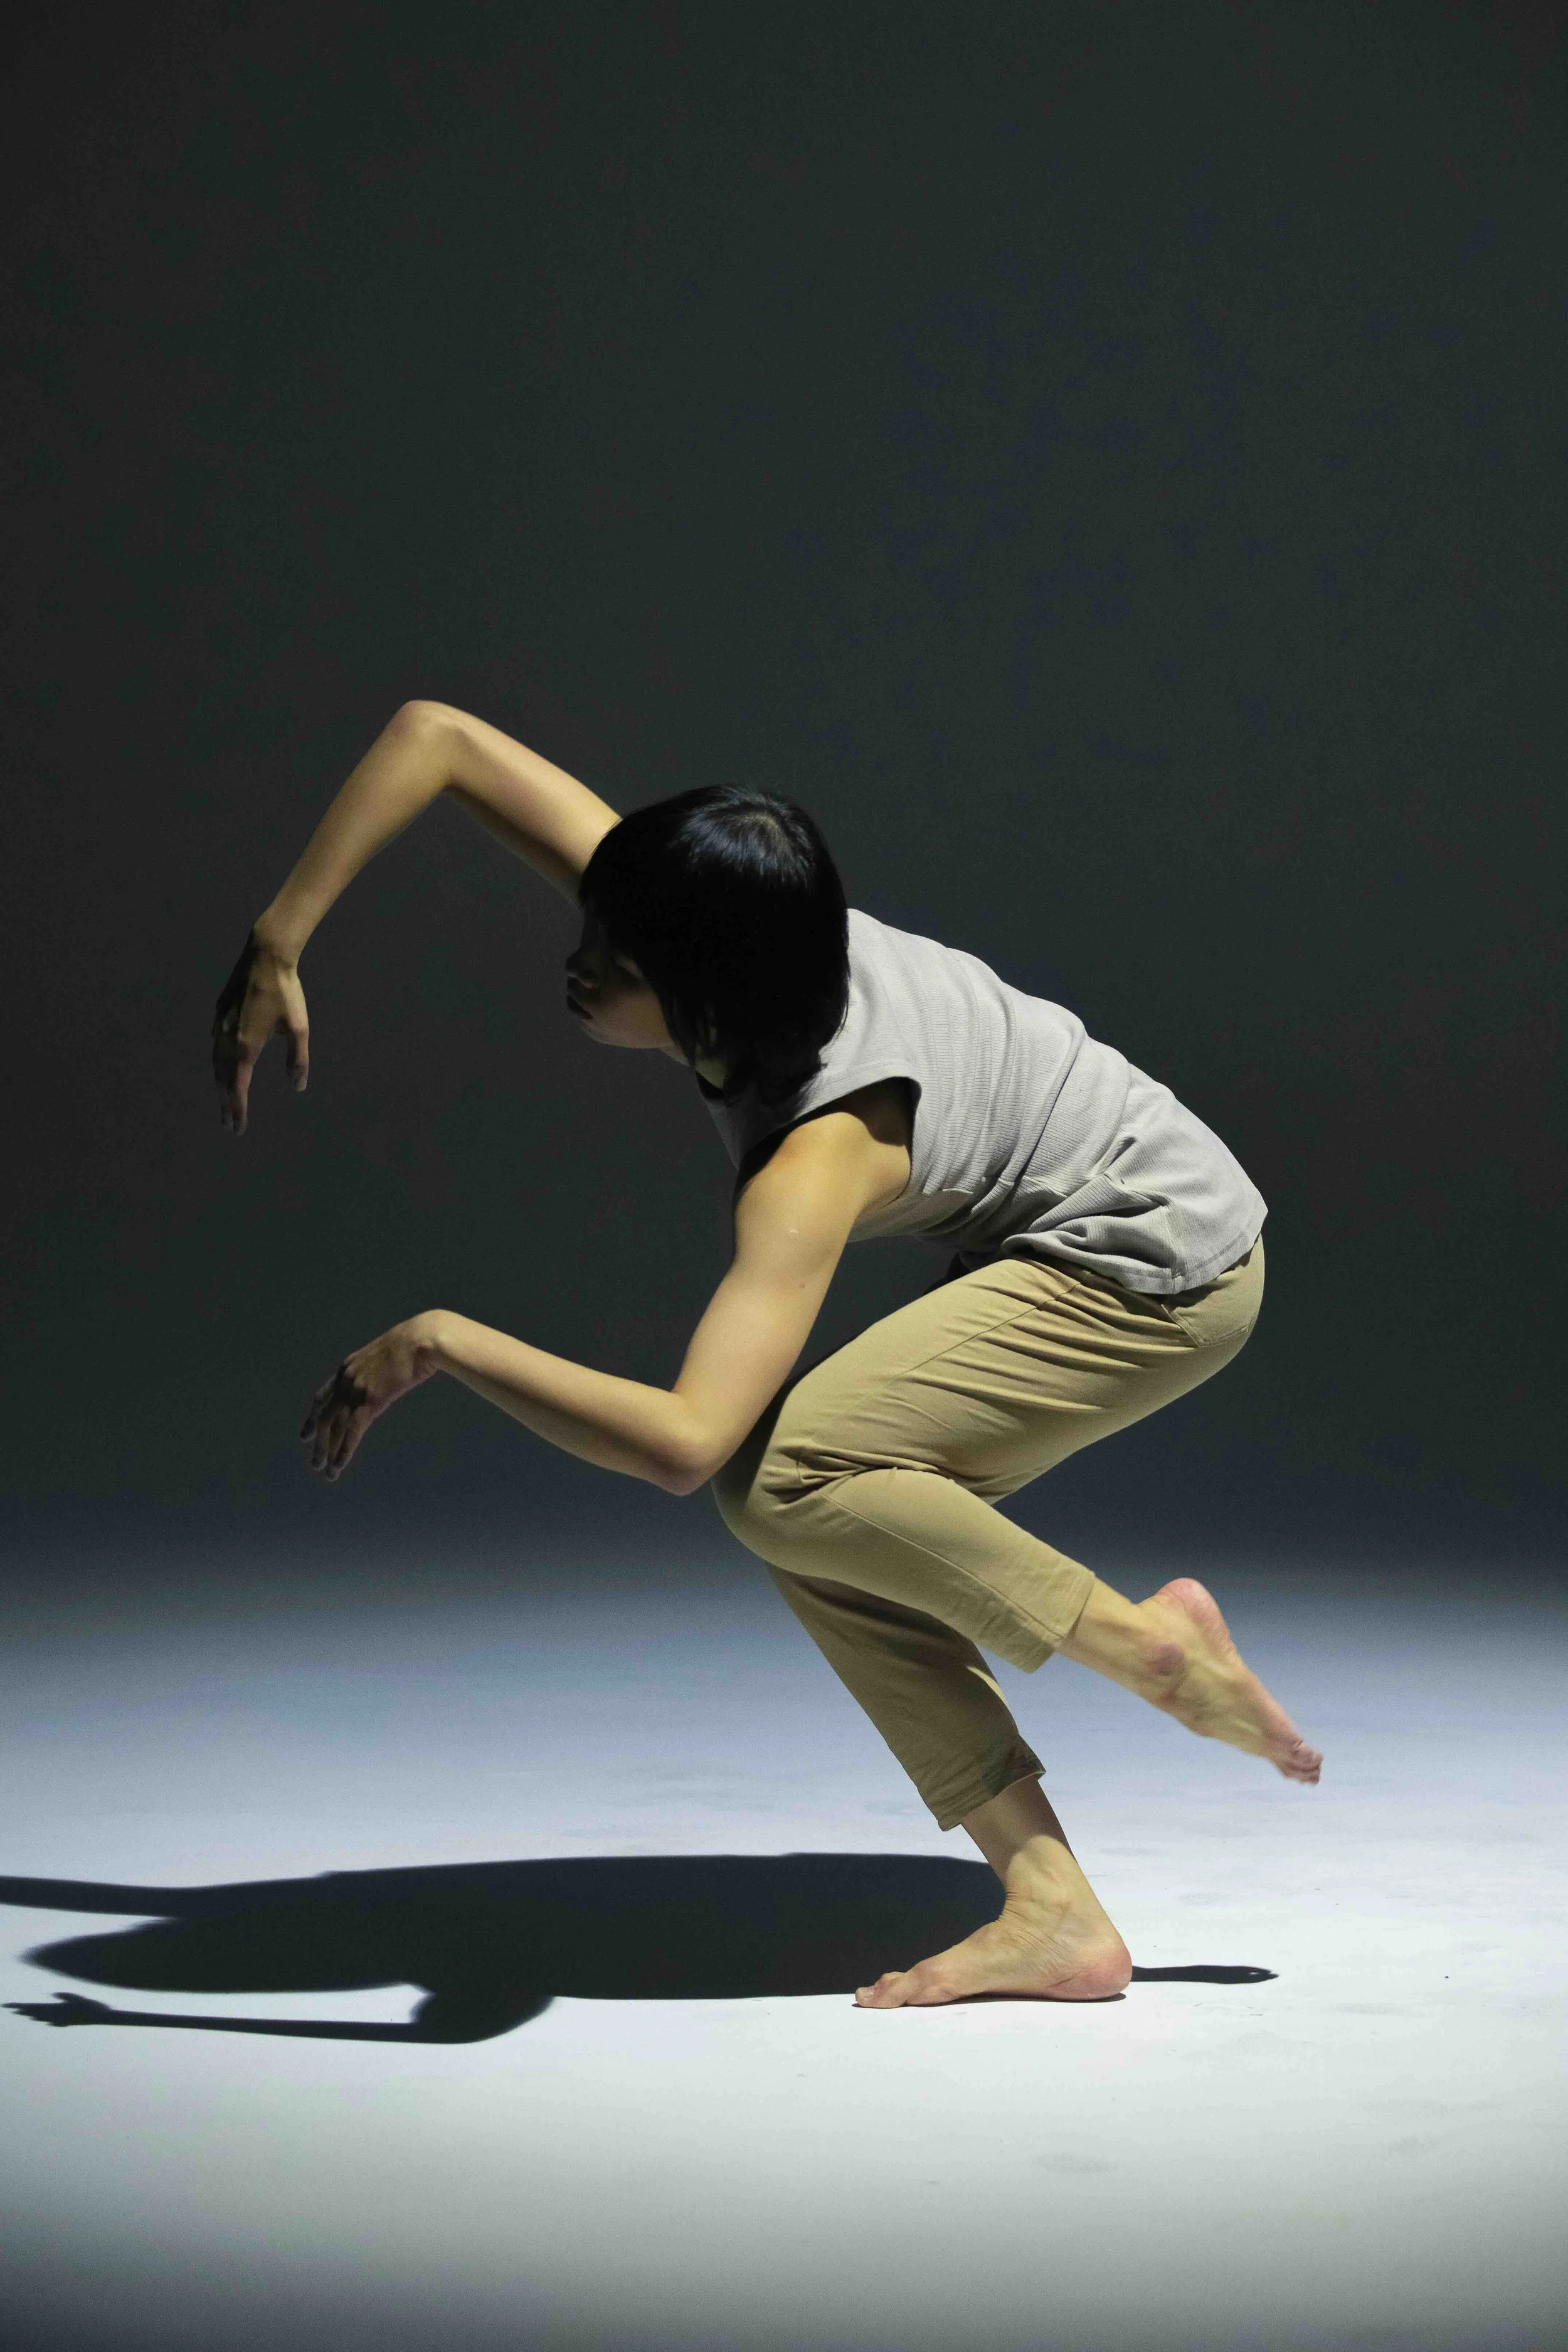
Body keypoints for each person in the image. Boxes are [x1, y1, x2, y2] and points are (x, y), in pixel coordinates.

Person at [211, 699, 1321, 2011]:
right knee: (816, 1516)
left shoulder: (815, 1153)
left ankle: (1144, 1649)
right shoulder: (725, 917)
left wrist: (441, 1342)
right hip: (1078, 1222)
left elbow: (687, 1443)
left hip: (1162, 1265)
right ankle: (1053, 1910)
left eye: (615, 960)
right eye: (596, 929)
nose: (580, 964)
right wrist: (280, 936)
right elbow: (436, 738)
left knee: (781, 1481)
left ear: (702, 992)